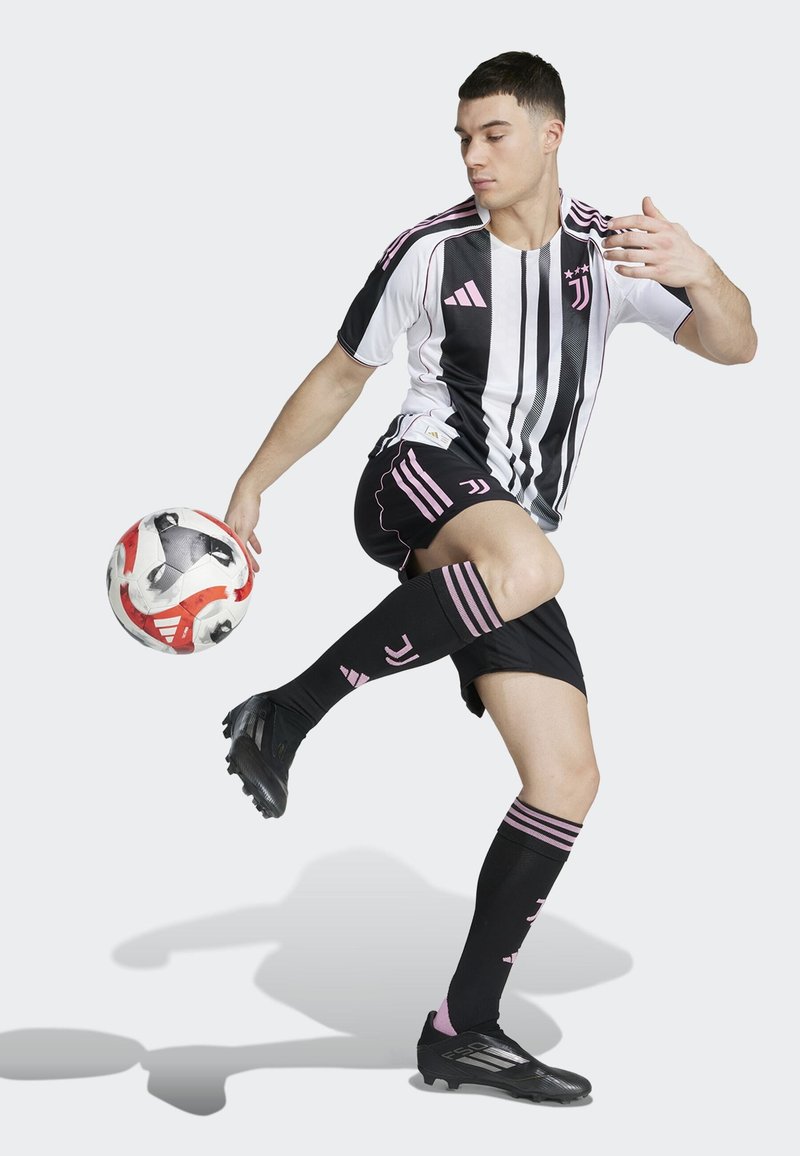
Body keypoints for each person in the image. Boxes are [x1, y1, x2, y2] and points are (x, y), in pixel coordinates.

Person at [220, 51, 757, 1104]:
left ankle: (461, 1029)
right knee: (530, 561)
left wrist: (699, 267)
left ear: (551, 134)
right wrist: (252, 485)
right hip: (416, 474)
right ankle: (286, 713)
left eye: (493, 133)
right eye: (463, 137)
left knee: (566, 776)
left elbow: (735, 343)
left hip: (507, 543)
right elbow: (340, 375)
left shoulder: (608, 253)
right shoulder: (429, 251)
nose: (473, 154)